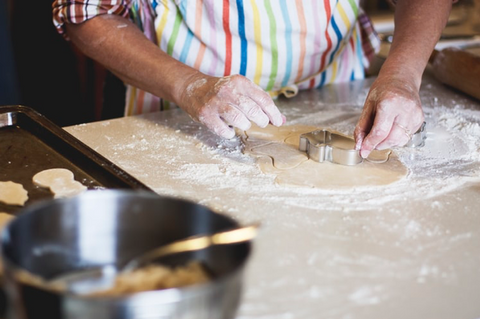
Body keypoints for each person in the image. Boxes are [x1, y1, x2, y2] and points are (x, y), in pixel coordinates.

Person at [52, 0, 456, 158]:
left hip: (339, 98)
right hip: (185, 116)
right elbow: (83, 13)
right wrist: (189, 86)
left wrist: (402, 75)